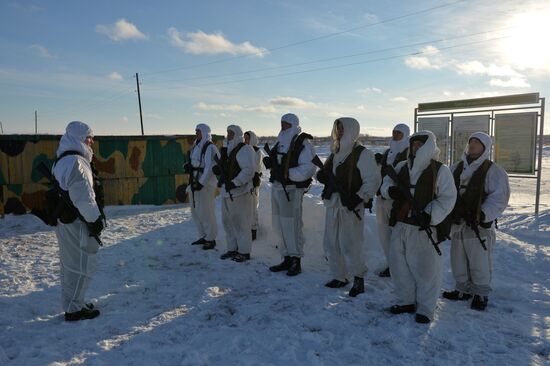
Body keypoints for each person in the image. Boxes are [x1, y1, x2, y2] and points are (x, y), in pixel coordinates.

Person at [380, 130, 456, 324]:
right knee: (399, 266)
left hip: (424, 228)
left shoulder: (440, 170)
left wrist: (430, 214)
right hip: (400, 224)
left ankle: (425, 308)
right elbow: (385, 183)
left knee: (426, 270)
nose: (416, 147)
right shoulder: (401, 166)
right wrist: (391, 191)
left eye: (420, 144)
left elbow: (447, 198)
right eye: (414, 144)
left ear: (429, 145)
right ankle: (405, 301)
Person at [443, 132, 510, 311]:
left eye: (477, 143)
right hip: (458, 223)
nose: (472, 145)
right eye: (470, 141)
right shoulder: (456, 167)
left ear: (485, 147)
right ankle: (462, 289)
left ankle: (480, 293)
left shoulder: (493, 170)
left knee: (479, 260)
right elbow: (445, 190)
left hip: (478, 225)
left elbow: (499, 198)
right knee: (458, 259)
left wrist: (482, 214)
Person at [316, 118, 380, 297]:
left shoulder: (362, 154)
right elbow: (326, 172)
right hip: (333, 204)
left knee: (351, 243)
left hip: (350, 205)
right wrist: (321, 176)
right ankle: (339, 276)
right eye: (338, 128)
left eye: (343, 128)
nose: (340, 131)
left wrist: (360, 197)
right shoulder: (335, 152)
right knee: (332, 242)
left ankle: (358, 279)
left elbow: (373, 180)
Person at [53, 121, 105, 321]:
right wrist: (95, 220)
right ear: (79, 138)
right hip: (77, 222)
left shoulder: (64, 159)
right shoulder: (75, 162)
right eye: (89, 138)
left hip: (68, 220)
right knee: (81, 265)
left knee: (70, 265)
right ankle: (74, 309)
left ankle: (75, 302)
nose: (91, 142)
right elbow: (83, 196)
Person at [263, 113, 317, 276]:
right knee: (278, 223)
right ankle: (286, 256)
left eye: (286, 124)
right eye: (282, 123)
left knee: (291, 225)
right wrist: (271, 164)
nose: (283, 126)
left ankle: (296, 260)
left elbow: (309, 168)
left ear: (294, 124)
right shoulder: (280, 141)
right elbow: (278, 161)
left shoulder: (303, 143)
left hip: (291, 189)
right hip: (278, 187)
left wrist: (287, 174)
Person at [214, 125, 256, 262]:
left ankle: (244, 251)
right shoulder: (227, 150)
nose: (228, 135)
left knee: (241, 223)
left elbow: (249, 170)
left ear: (237, 134)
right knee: (228, 222)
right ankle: (232, 248)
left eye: (230, 133)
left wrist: (236, 182)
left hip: (240, 192)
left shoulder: (245, 149)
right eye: (227, 133)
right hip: (226, 192)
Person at [374, 123, 410, 277]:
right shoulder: (388, 152)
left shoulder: (409, 153)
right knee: (384, 234)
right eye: (394, 132)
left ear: (406, 135)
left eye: (399, 133)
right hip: (382, 197)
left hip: (396, 201)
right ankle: (391, 264)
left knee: (397, 235)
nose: (395, 135)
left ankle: (401, 265)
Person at [184, 123, 219, 250]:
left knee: (206, 210)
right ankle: (203, 235)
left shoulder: (210, 148)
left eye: (198, 131)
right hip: (194, 182)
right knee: (196, 210)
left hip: (205, 185)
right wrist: (187, 166)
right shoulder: (196, 146)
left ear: (204, 132)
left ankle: (211, 238)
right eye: (196, 131)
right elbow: (194, 162)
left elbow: (209, 168)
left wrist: (201, 183)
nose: (196, 133)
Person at [244, 130, 263, 241]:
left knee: (253, 206)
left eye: (247, 138)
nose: (245, 140)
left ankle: (253, 230)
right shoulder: (243, 150)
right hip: (244, 182)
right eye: (244, 138)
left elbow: (256, 167)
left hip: (253, 182)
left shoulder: (257, 151)